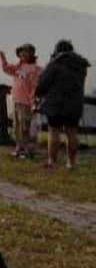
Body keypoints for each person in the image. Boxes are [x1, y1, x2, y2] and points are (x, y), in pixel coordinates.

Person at [35, 39, 89, 171]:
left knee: (54, 131)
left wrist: (39, 92)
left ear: (57, 50)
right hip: (75, 104)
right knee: (72, 132)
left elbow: (42, 85)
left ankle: (52, 162)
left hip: (56, 104)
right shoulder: (81, 65)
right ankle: (71, 163)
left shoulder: (55, 64)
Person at [0, 44, 42, 159]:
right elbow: (6, 69)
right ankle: (19, 148)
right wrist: (2, 56)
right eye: (21, 52)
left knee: (27, 127)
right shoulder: (18, 66)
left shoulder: (36, 69)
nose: (22, 54)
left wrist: (34, 102)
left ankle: (29, 150)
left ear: (31, 54)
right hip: (16, 100)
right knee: (17, 127)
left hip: (27, 102)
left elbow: (35, 87)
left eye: (25, 52)